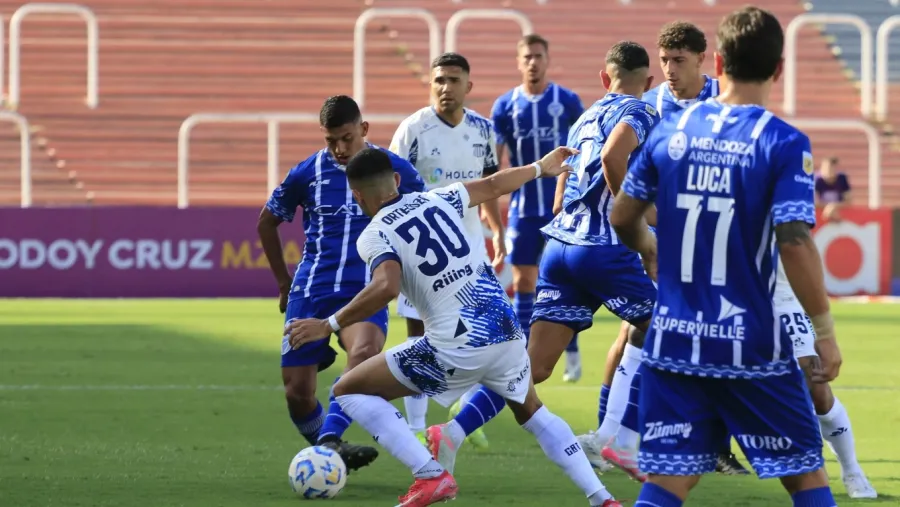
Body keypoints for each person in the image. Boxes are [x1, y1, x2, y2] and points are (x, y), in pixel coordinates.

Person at [284, 146, 623, 507]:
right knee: (532, 410)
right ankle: (603, 499)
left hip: (456, 344)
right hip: (505, 328)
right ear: (396, 179)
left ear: (357, 196)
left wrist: (328, 324)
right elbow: (494, 184)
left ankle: (430, 475)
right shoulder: (439, 198)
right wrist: (540, 167)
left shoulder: (374, 234)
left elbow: (386, 286)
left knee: (348, 390)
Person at [609, 7, 842, 506]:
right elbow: (794, 242)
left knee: (667, 481)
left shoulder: (671, 131)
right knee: (805, 477)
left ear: (717, 61)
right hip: (749, 343)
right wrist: (824, 332)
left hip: (675, 338)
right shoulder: (783, 142)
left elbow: (622, 214)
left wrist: (648, 248)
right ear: (779, 68)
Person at [431, 41, 660, 481]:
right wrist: (633, 219)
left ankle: (453, 432)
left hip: (559, 248)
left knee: (532, 366)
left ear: (604, 78)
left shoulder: (584, 118)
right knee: (667, 327)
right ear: (648, 82)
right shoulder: (642, 110)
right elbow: (613, 157)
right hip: (603, 247)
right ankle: (621, 440)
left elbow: (559, 197)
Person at [583, 21, 750, 477]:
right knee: (636, 330)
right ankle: (611, 434)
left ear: (701, 60)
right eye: (665, 61)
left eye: (680, 60)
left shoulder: (725, 98)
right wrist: (641, 223)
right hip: (665, 236)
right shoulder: (651, 105)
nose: (671, 69)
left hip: (715, 233)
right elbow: (621, 161)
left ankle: (701, 444)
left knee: (710, 336)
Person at [257, 95, 426, 472]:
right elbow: (267, 222)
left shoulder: (395, 172)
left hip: (365, 290)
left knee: (363, 353)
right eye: (331, 140)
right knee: (297, 393)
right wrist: (284, 283)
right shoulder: (307, 173)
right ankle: (331, 450)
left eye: (347, 138)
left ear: (363, 129)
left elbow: (422, 224)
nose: (340, 148)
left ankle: (329, 443)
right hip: (311, 292)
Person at [389, 52, 505, 447]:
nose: (445, 87)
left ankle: (464, 409)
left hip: (469, 251)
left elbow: (489, 185)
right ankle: (416, 428)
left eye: (453, 80)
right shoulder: (413, 130)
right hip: (422, 255)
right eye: (439, 80)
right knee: (420, 337)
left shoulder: (483, 131)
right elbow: (391, 190)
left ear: (468, 86)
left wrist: (497, 231)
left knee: (481, 335)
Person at [491, 33, 585, 383]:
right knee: (524, 281)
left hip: (563, 208)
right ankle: (523, 354)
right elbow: (494, 162)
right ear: (519, 62)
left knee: (565, 279)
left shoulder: (568, 101)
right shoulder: (505, 106)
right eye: (527, 57)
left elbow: (585, 147)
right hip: (524, 209)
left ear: (547, 60)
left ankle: (571, 350)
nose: (533, 62)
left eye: (538, 56)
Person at [774, 258, 877, 498]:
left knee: (817, 387)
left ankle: (852, 471)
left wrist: (823, 329)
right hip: (739, 299)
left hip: (782, 298)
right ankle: (720, 453)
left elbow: (799, 250)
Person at [814, 156, 851, 222]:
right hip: (821, 215)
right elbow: (814, 202)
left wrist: (833, 206)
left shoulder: (842, 179)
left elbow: (848, 201)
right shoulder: (817, 180)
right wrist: (829, 207)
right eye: (825, 168)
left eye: (831, 168)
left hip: (838, 213)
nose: (827, 171)